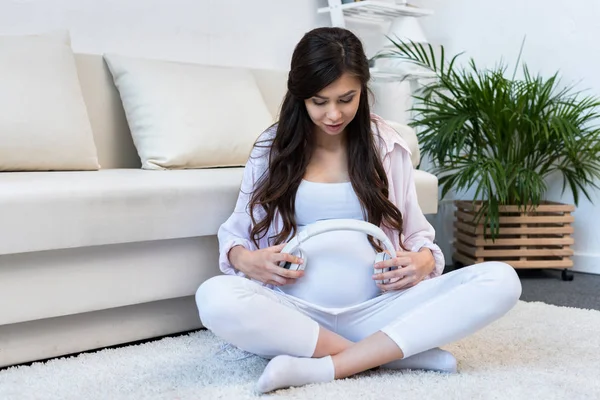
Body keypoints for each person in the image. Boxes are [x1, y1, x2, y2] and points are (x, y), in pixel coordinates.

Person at [195, 27, 522, 394]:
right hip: (297, 312)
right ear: (300, 95)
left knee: (501, 279)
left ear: (363, 91)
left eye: (346, 99)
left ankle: (323, 367)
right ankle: (388, 356)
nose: (333, 114)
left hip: (380, 309)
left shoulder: (387, 147)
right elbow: (237, 232)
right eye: (319, 101)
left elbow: (418, 237)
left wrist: (423, 263)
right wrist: (246, 261)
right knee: (213, 297)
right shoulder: (272, 150)